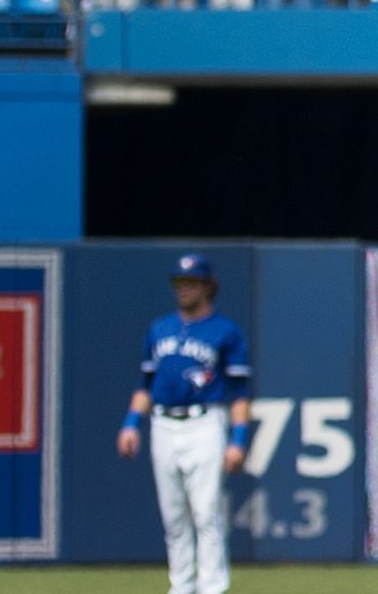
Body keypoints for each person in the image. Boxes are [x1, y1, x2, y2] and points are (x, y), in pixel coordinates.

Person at [119, 254, 251, 594]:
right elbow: (145, 384)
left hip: (204, 422)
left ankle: (212, 587)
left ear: (208, 286)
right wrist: (131, 424)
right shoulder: (159, 329)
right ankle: (181, 586)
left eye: (190, 282)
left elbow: (239, 393)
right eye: (179, 283)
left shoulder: (225, 331)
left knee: (206, 512)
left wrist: (238, 440)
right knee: (174, 516)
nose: (184, 289)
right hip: (163, 424)